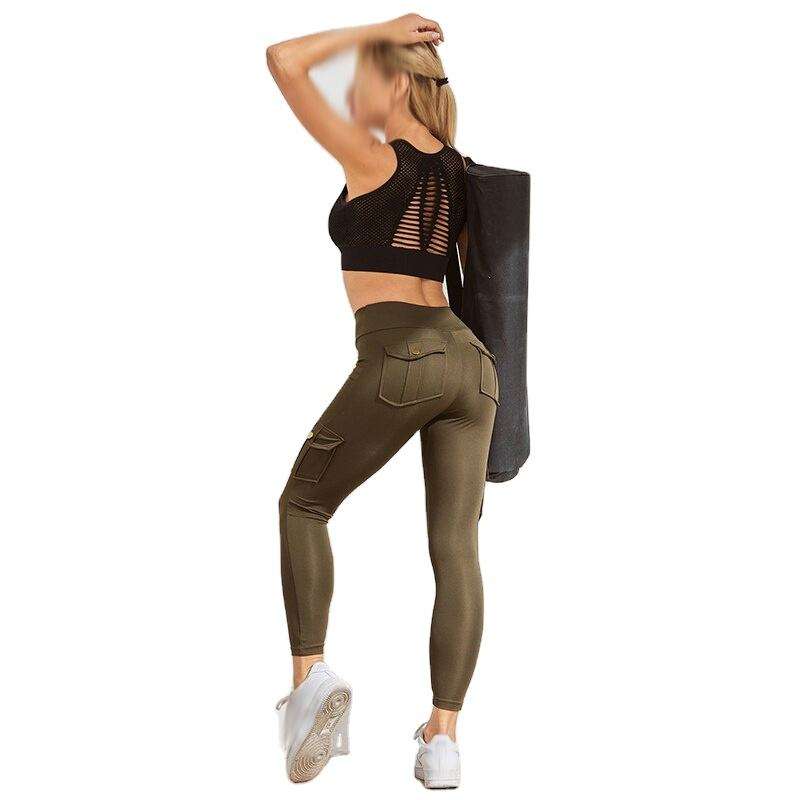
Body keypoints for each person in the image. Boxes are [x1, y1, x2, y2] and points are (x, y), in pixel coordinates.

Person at [266, 14, 500, 788]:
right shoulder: (462, 173)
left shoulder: (374, 156)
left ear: (398, 83)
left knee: (303, 504)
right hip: (473, 367)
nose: (352, 92)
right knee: (456, 550)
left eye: (366, 75)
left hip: (405, 353)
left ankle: (310, 684)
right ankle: (442, 741)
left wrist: (378, 28)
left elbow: (283, 59)